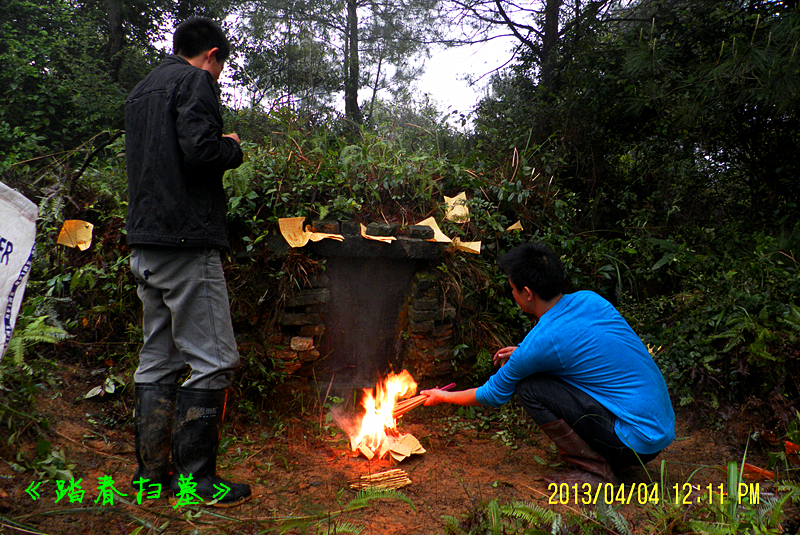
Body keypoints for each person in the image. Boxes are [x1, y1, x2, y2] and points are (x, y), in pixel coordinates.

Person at [125, 17, 251, 506]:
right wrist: (233, 148)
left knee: (157, 358)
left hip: (145, 244)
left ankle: (152, 477)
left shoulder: (142, 89)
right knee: (214, 359)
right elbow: (200, 152)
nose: (218, 75)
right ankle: (199, 481)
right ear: (212, 54)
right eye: (221, 65)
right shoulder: (195, 80)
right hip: (185, 242)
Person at [422, 242, 675, 484]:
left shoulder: (544, 342)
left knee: (530, 388)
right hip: (659, 428)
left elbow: (491, 394)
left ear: (528, 293)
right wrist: (523, 350)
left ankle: (595, 472)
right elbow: (582, 345)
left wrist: (441, 396)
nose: (512, 294)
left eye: (512, 289)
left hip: (634, 443)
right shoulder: (590, 300)